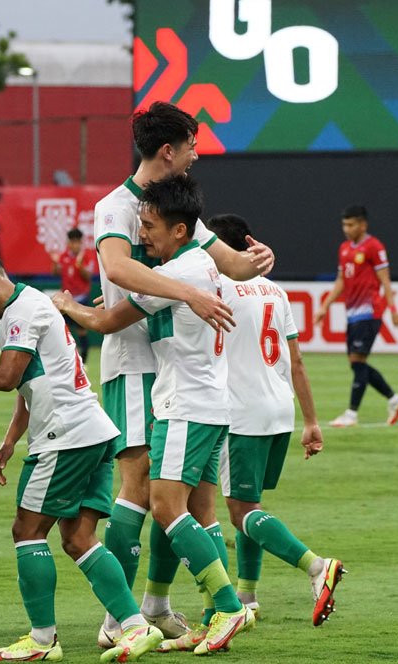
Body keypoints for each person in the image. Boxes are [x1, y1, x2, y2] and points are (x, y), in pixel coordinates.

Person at [0, 242, 164, 663]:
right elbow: (33, 381)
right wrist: (10, 440)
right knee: (79, 537)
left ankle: (42, 640)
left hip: (65, 436)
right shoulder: (31, 304)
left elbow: (9, 376)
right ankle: (135, 627)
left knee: (26, 531)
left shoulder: (21, 312)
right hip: (92, 430)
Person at [90, 100, 275, 648]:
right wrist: (189, 290)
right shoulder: (116, 206)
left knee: (186, 496)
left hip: (176, 367)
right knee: (141, 485)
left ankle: (156, 606)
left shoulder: (178, 212)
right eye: (192, 145)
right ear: (168, 149)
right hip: (133, 359)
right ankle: (118, 619)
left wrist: (258, 258)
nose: (196, 155)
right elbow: (119, 268)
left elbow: (232, 263)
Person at [56, 175, 255, 655]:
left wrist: (65, 304)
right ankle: (209, 612)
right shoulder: (195, 267)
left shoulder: (180, 275)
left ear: (181, 231)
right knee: (191, 508)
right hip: (207, 402)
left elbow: (106, 320)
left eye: (150, 226)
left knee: (164, 505)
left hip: (185, 404)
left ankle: (226, 606)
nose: (142, 234)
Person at [206, 213, 346, 628]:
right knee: (251, 505)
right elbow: (296, 360)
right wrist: (312, 420)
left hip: (241, 412)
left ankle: (317, 566)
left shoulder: (218, 289)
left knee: (239, 510)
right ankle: (247, 596)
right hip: (279, 410)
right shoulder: (274, 290)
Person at [314, 205, 398, 428]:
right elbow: (340, 281)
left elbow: (385, 280)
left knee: (357, 361)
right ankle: (395, 400)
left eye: (351, 224)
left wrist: (393, 310)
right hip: (352, 312)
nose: (347, 229)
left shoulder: (374, 247)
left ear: (363, 224)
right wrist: (324, 307)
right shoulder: (345, 248)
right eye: (344, 225)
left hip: (369, 311)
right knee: (357, 364)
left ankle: (351, 414)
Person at [50, 227, 97, 362]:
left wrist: (80, 265)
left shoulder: (86, 256)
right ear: (69, 242)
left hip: (81, 299)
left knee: (82, 332)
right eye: (72, 242)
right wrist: (54, 262)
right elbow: (55, 273)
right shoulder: (64, 256)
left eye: (78, 242)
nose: (75, 245)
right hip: (66, 299)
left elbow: (88, 276)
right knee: (62, 331)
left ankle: (84, 362)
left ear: (81, 242)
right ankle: (64, 361)